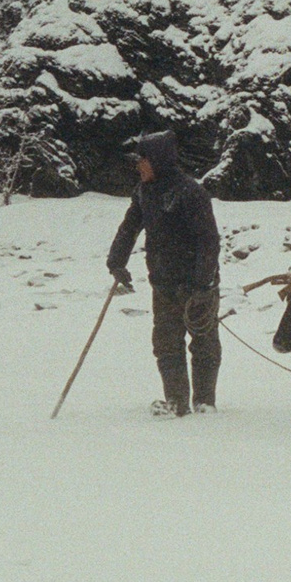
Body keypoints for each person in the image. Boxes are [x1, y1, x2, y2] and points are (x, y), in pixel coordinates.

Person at [107, 132, 222, 417]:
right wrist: (116, 261)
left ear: (157, 160)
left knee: (204, 343)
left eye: (142, 160)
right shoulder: (144, 193)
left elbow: (209, 241)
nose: (138, 166)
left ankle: (205, 402)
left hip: (197, 285)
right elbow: (129, 228)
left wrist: (203, 284)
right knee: (166, 345)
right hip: (164, 285)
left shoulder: (190, 192)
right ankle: (177, 403)